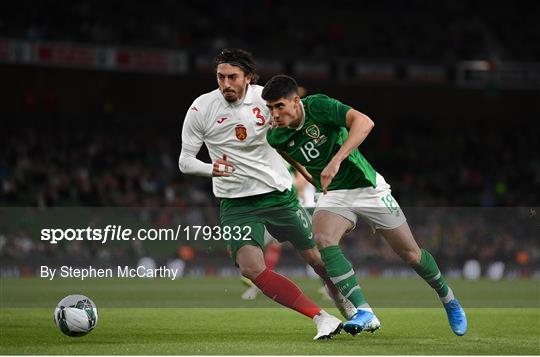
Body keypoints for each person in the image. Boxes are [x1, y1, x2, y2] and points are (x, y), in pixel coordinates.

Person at [262, 74, 468, 337]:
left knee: (411, 255)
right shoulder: (276, 136)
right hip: (334, 193)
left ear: (295, 101)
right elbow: (296, 162)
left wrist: (336, 160)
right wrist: (315, 180)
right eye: (270, 108)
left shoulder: (319, 106)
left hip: (367, 188)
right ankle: (364, 310)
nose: (275, 114)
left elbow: (364, 122)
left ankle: (449, 298)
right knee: (323, 239)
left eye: (279, 106)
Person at [179, 49, 353, 340]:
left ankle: (347, 303)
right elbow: (185, 161)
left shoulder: (267, 100)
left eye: (233, 77)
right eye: (221, 77)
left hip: (277, 195)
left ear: (248, 78)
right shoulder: (201, 108)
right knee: (251, 268)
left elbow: (296, 128)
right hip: (235, 203)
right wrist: (211, 168)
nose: (226, 84)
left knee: (318, 260)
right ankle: (320, 317)